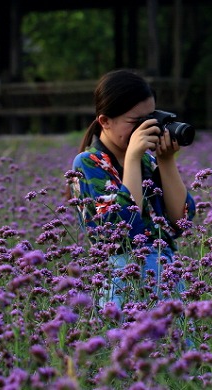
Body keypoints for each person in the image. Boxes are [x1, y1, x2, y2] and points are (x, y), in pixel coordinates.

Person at [68, 69, 196, 309]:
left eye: (151, 118)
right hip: (123, 280)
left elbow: (182, 220)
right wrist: (133, 158)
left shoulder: (148, 162)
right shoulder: (87, 164)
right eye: (136, 122)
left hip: (165, 276)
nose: (145, 128)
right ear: (105, 121)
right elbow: (119, 226)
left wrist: (166, 160)